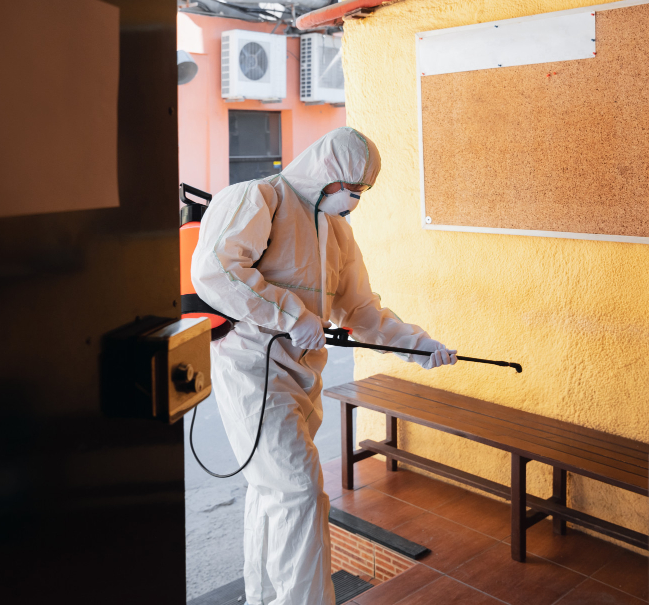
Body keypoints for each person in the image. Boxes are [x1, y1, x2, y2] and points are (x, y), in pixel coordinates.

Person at [191, 127, 457, 605]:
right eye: (349, 189)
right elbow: (218, 271)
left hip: (301, 374)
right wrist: (292, 317)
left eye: (362, 192)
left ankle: (266, 597)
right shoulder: (258, 198)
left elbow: (360, 311)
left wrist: (419, 346)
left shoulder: (337, 230)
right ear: (325, 174)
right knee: (298, 490)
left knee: (275, 492)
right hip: (255, 371)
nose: (354, 199)